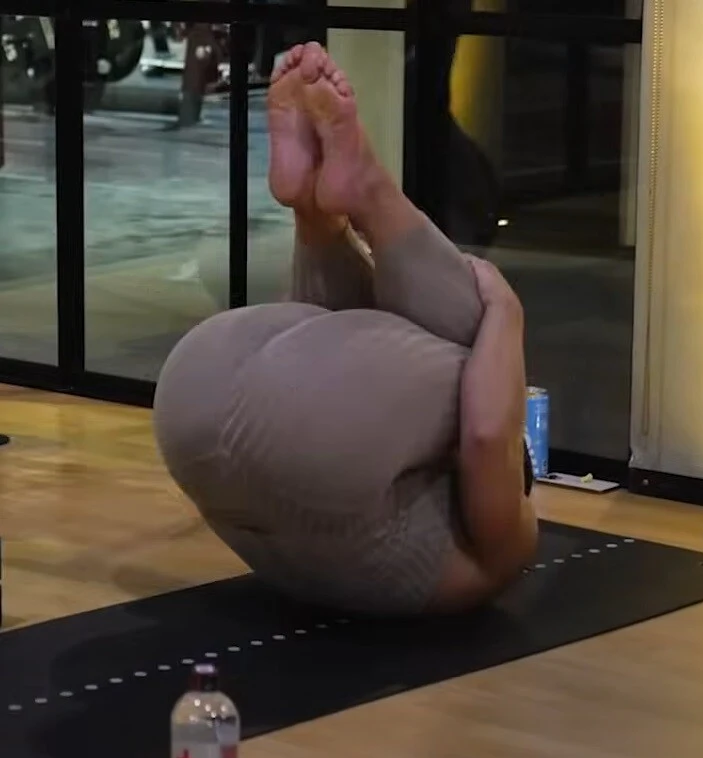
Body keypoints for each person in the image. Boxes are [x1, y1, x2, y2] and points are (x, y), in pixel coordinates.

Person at [153, 42, 538, 617]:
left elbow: (486, 434)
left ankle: (356, 196)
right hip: (203, 401)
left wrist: (506, 314)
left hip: (207, 390)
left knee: (471, 341)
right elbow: (330, 359)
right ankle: (319, 212)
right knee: (344, 352)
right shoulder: (400, 527)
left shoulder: (504, 551)